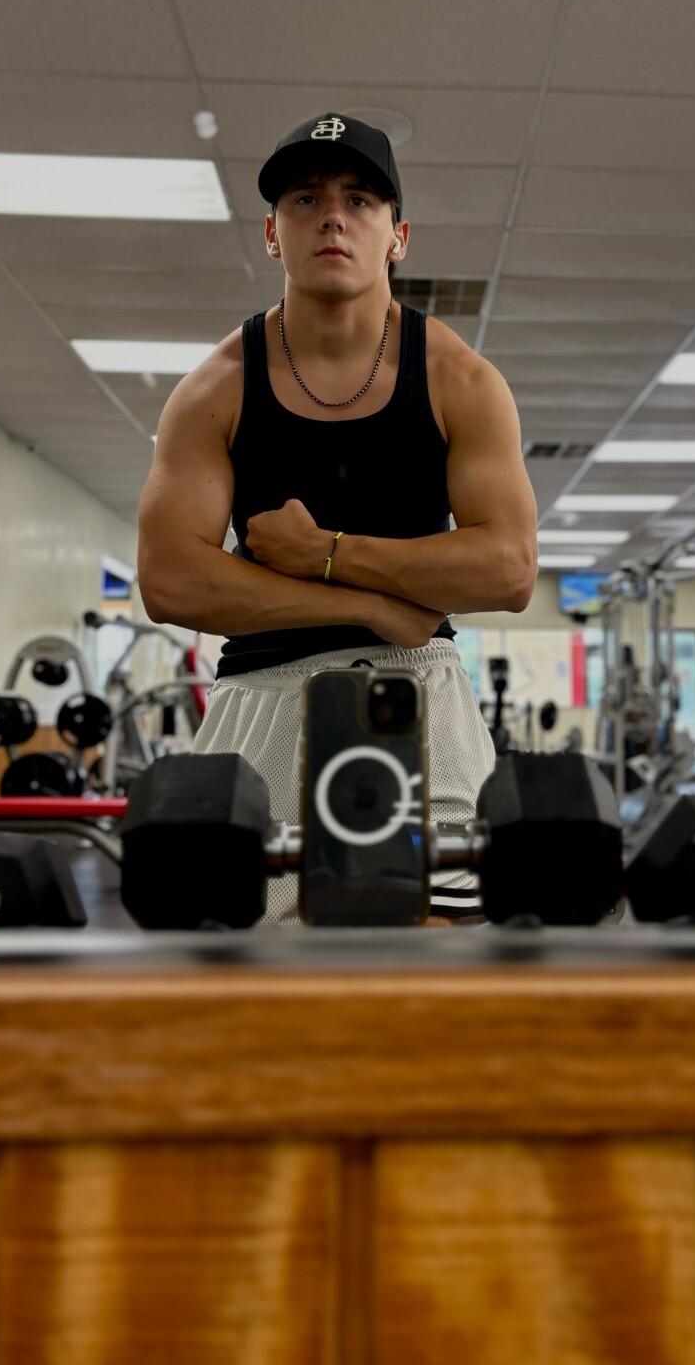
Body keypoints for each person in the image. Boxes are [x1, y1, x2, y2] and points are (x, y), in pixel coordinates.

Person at [137, 112, 538, 925]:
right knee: (241, 964)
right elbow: (169, 581)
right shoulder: (217, 387)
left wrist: (325, 550)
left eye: (359, 200)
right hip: (263, 694)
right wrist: (367, 604)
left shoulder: (460, 379)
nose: (332, 218)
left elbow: (508, 570)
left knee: (437, 957)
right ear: (272, 234)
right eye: (306, 198)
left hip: (419, 689)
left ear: (398, 237)